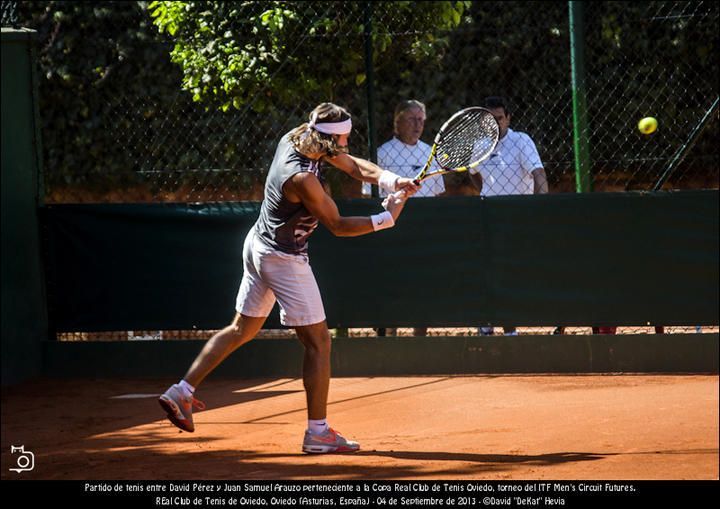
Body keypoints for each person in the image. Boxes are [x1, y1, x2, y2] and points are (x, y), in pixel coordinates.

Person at [158, 103, 419, 454]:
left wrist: (392, 181)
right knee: (319, 343)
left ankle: (181, 391)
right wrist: (386, 218)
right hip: (282, 259)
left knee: (241, 328)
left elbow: (352, 165)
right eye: (343, 138)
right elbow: (338, 225)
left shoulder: (297, 137)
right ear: (328, 140)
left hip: (258, 244)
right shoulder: (302, 178)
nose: (346, 144)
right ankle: (318, 433)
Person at [469, 96, 548, 336]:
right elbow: (473, 173)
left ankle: (510, 329)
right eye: (490, 119)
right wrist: (484, 191)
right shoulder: (479, 146)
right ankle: (488, 324)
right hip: (488, 217)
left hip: (517, 217)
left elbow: (539, 174)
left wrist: (539, 206)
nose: (496, 123)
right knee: (487, 272)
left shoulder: (521, 141)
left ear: (508, 119)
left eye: (500, 118)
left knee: (510, 275)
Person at [364, 99, 441, 337]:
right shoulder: (382, 154)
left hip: (423, 232)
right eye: (411, 119)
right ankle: (389, 337)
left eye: (421, 120)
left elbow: (438, 195)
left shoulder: (429, 153)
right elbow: (368, 195)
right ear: (397, 123)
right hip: (391, 230)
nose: (417, 125)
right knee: (391, 284)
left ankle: (420, 339)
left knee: (422, 286)